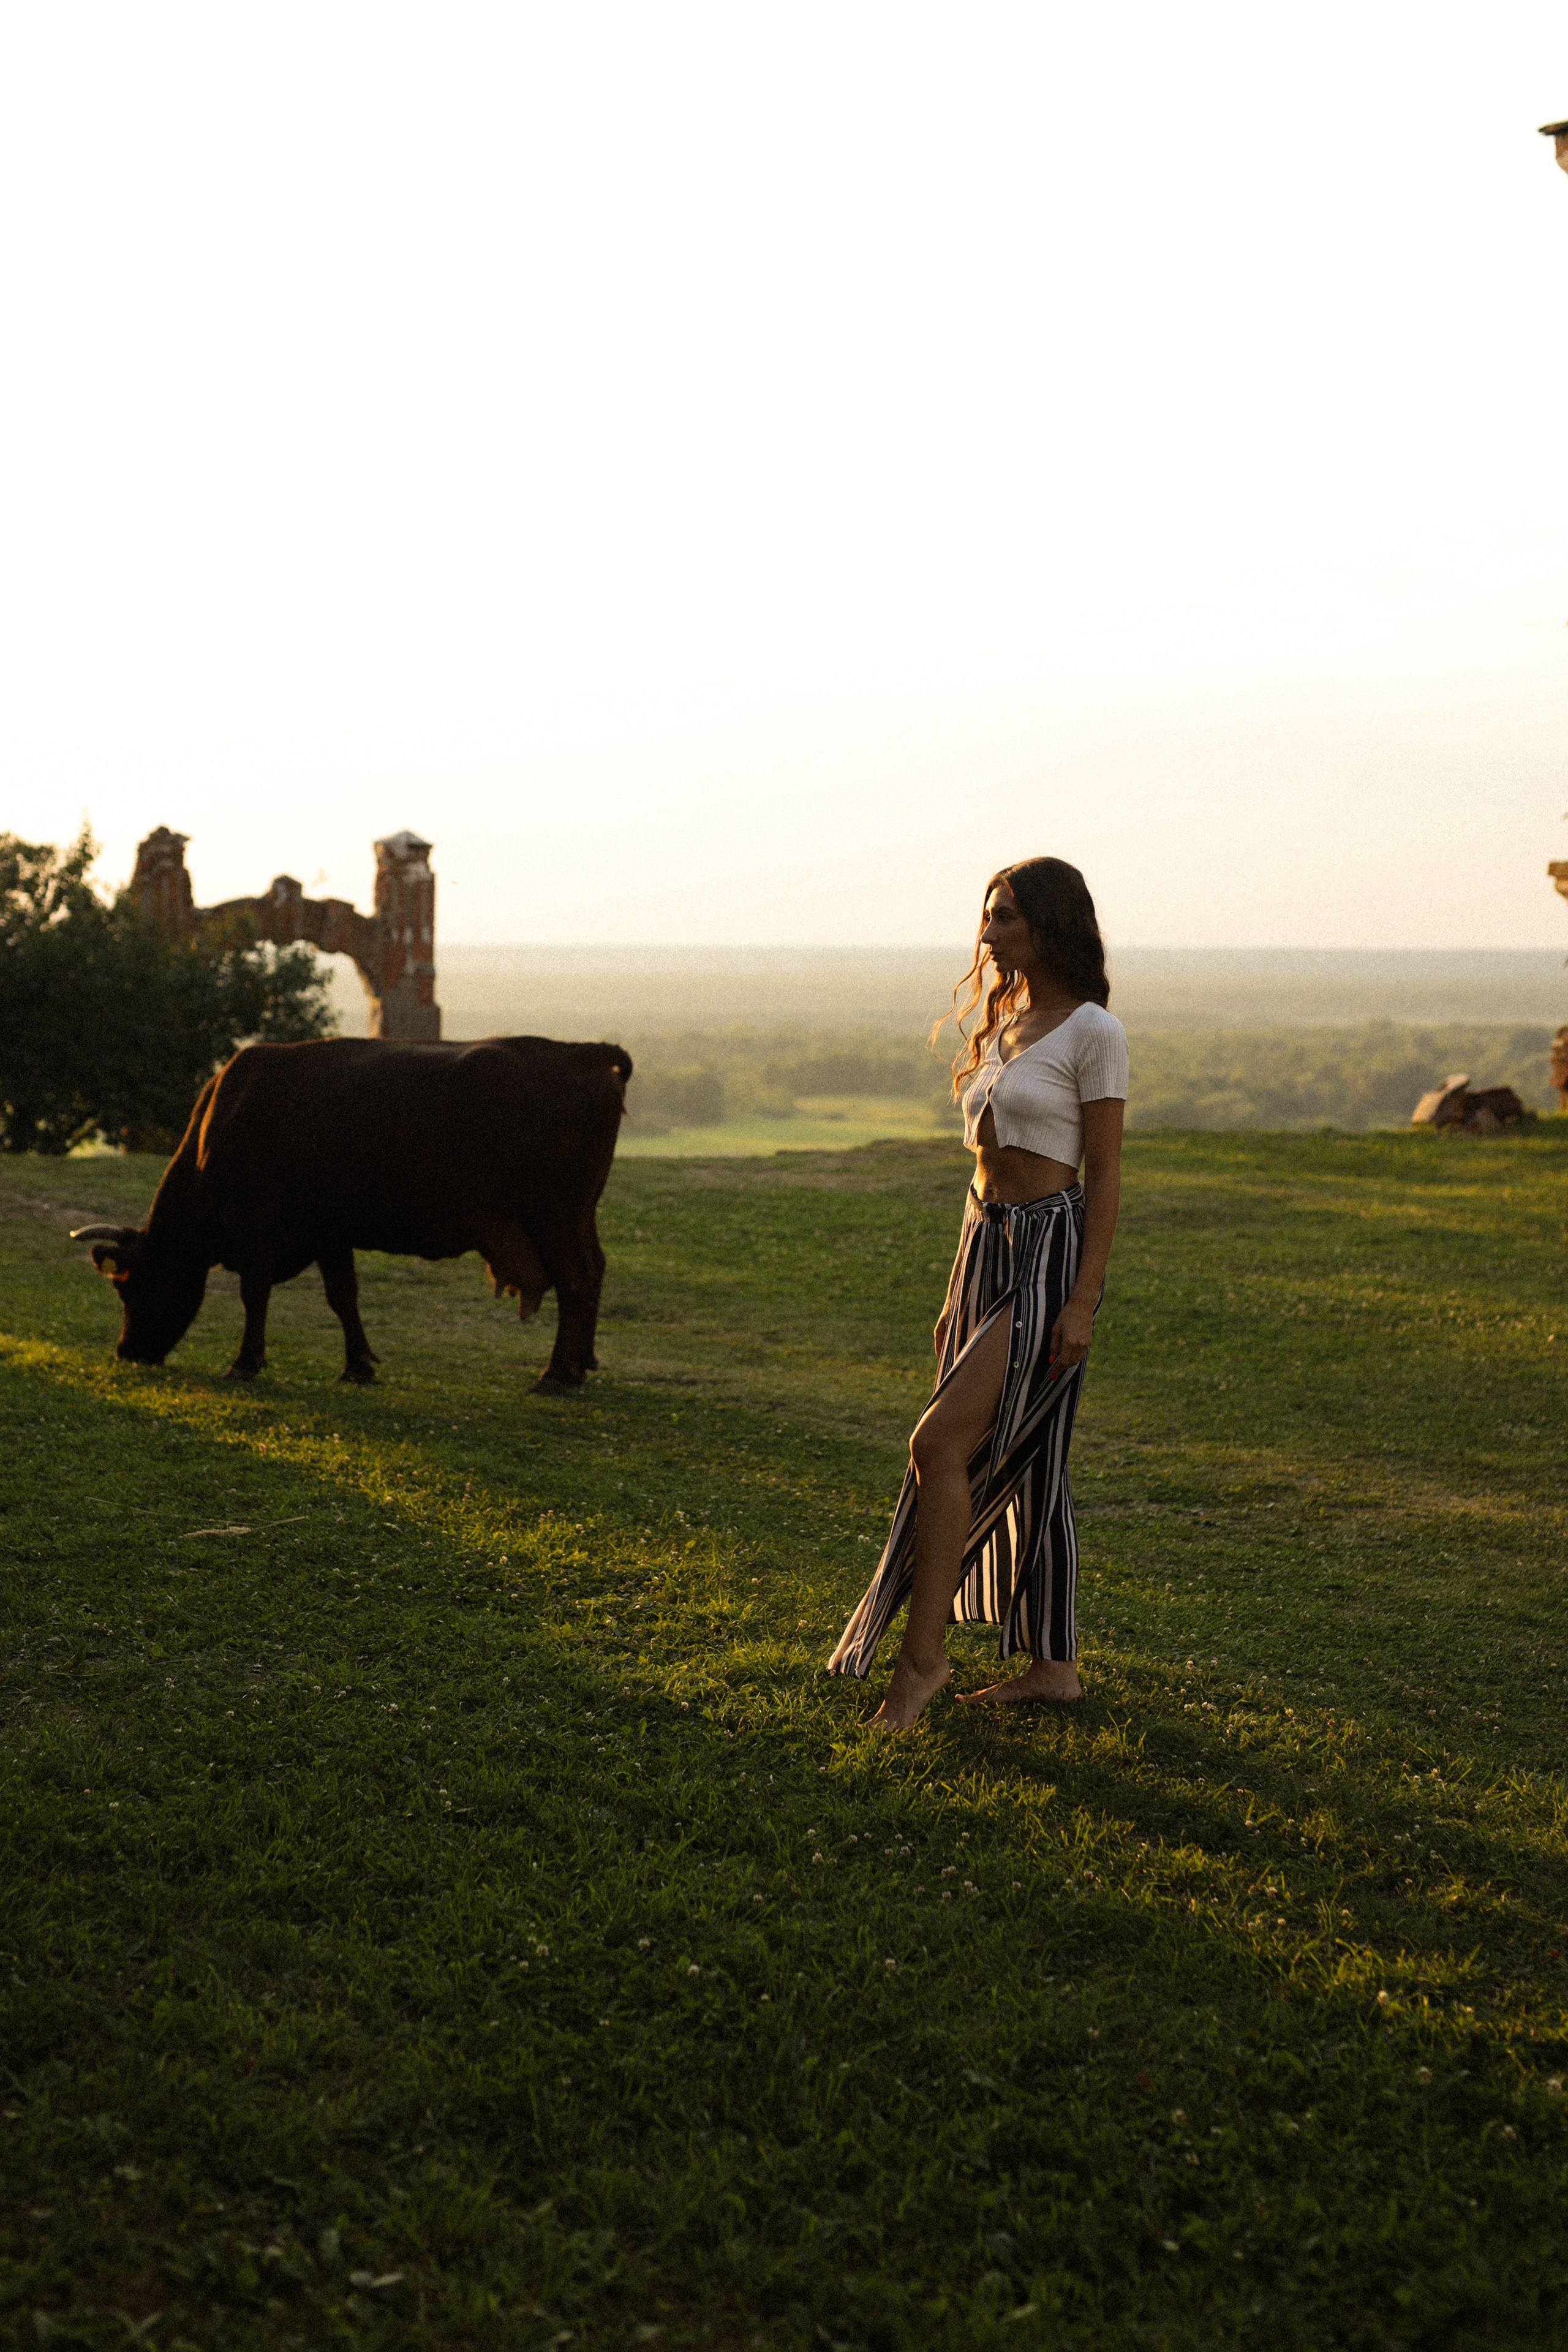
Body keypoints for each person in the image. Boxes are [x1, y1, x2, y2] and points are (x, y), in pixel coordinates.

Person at [826, 856, 1127, 1728]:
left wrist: (1081, 1302)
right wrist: (956, 1291)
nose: (987, 934)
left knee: (937, 1446)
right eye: (986, 917)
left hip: (1049, 1248)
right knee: (1033, 1449)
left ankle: (921, 1666)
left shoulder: (1092, 1030)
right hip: (982, 1246)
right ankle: (1054, 1667)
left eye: (1004, 918)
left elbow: (1104, 1175)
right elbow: (984, 1169)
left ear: (1051, 924)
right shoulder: (1008, 1020)